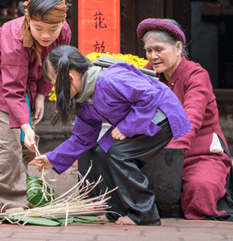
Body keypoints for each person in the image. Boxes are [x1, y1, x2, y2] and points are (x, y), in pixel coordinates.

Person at [34, 45, 191, 226]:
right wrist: (52, 159)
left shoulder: (110, 78)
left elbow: (149, 95)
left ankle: (144, 214)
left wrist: (126, 127)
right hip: (138, 118)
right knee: (101, 151)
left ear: (70, 78)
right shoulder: (84, 101)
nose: (54, 88)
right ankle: (116, 212)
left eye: (55, 82)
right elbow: (82, 138)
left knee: (118, 152)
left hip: (161, 114)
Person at [0, 0, 71, 207]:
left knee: (27, 141)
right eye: (38, 28)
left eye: (53, 29)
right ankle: (8, 201)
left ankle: (24, 185)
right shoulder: (13, 38)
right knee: (9, 141)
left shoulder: (64, 31)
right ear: (28, 19)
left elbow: (53, 64)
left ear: (62, 23)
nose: (46, 35)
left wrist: (42, 95)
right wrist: (25, 126)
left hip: (28, 80)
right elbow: (12, 89)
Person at [138, 18, 233, 220]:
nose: (152, 56)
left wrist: (170, 155)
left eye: (158, 49)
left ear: (178, 47)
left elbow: (191, 118)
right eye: (148, 50)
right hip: (158, 152)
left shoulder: (197, 75)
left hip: (201, 153)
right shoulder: (150, 73)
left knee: (200, 188)